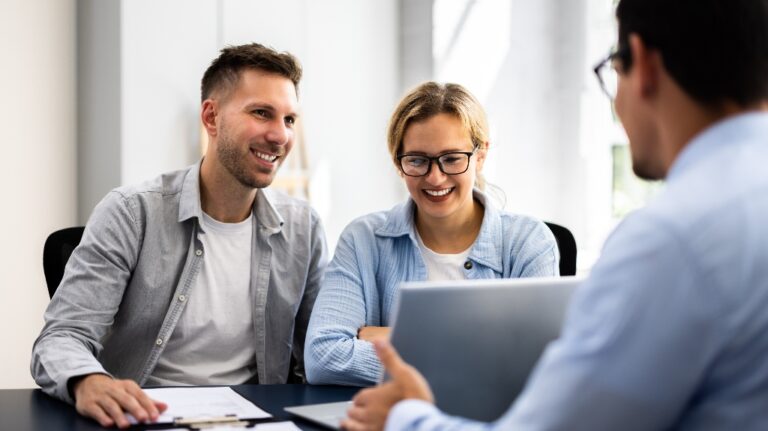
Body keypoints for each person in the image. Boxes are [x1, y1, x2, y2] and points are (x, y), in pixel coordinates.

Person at [341, 0, 768, 429]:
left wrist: (405, 416)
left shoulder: (670, 240)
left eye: (612, 73)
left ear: (643, 65)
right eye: (418, 160)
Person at [30, 43, 329, 429]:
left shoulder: (303, 228)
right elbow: (61, 337)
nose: (279, 135)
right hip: (145, 416)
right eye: (261, 113)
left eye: (289, 119)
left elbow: (322, 348)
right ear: (211, 117)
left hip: (255, 420)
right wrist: (88, 381)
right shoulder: (131, 212)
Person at [304, 82, 559, 386]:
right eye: (417, 160)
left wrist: (392, 338)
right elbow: (323, 357)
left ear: (480, 156)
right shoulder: (363, 240)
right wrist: (479, 352)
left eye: (452, 158)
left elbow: (536, 366)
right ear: (399, 163)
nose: (435, 177)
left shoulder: (530, 242)